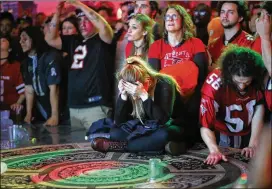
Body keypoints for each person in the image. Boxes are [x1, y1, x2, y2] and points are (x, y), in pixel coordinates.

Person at [91, 56, 186, 153]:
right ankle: (153, 147)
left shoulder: (165, 83)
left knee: (163, 135)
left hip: (169, 126)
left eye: (134, 89)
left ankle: (124, 146)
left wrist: (143, 95)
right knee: (115, 133)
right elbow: (120, 122)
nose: (133, 93)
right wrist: (123, 95)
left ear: (147, 81)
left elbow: (163, 120)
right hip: (144, 128)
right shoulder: (129, 89)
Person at [45, 0, 114, 129]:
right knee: (77, 148)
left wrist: (79, 5)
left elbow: (104, 27)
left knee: (99, 146)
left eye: (86, 20)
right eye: (79, 20)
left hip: (96, 107)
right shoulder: (73, 41)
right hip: (74, 107)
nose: (82, 24)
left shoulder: (103, 39)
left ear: (94, 21)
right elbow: (50, 38)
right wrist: (57, 12)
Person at [200, 45, 265, 165]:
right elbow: (205, 124)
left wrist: (253, 145)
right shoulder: (214, 84)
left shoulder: (259, 80)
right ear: (228, 75)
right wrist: (214, 150)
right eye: (238, 82)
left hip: (250, 131)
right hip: (222, 134)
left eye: (247, 82)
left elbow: (259, 108)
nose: (242, 87)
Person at [20, 26, 62, 126]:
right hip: (43, 107)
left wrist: (54, 115)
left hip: (60, 107)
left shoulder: (50, 57)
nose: (21, 42)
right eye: (20, 39)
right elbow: (29, 90)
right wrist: (28, 114)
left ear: (34, 39)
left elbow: (54, 89)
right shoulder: (25, 62)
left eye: (25, 39)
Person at [0, 36, 25, 114]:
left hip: (9, 110)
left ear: (10, 49)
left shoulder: (15, 66)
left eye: (3, 40)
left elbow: (23, 92)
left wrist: (18, 103)